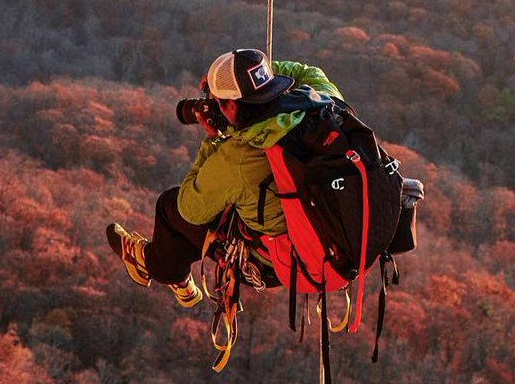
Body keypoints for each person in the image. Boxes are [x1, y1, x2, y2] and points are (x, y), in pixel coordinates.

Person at [107, 49, 343, 303]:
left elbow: (190, 209)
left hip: (275, 264)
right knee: (229, 199)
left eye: (219, 102)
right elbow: (308, 72)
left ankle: (159, 268)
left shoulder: (239, 157)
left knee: (170, 207)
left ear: (230, 105)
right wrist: (253, 76)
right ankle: (170, 271)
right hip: (336, 243)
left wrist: (212, 141)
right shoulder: (323, 101)